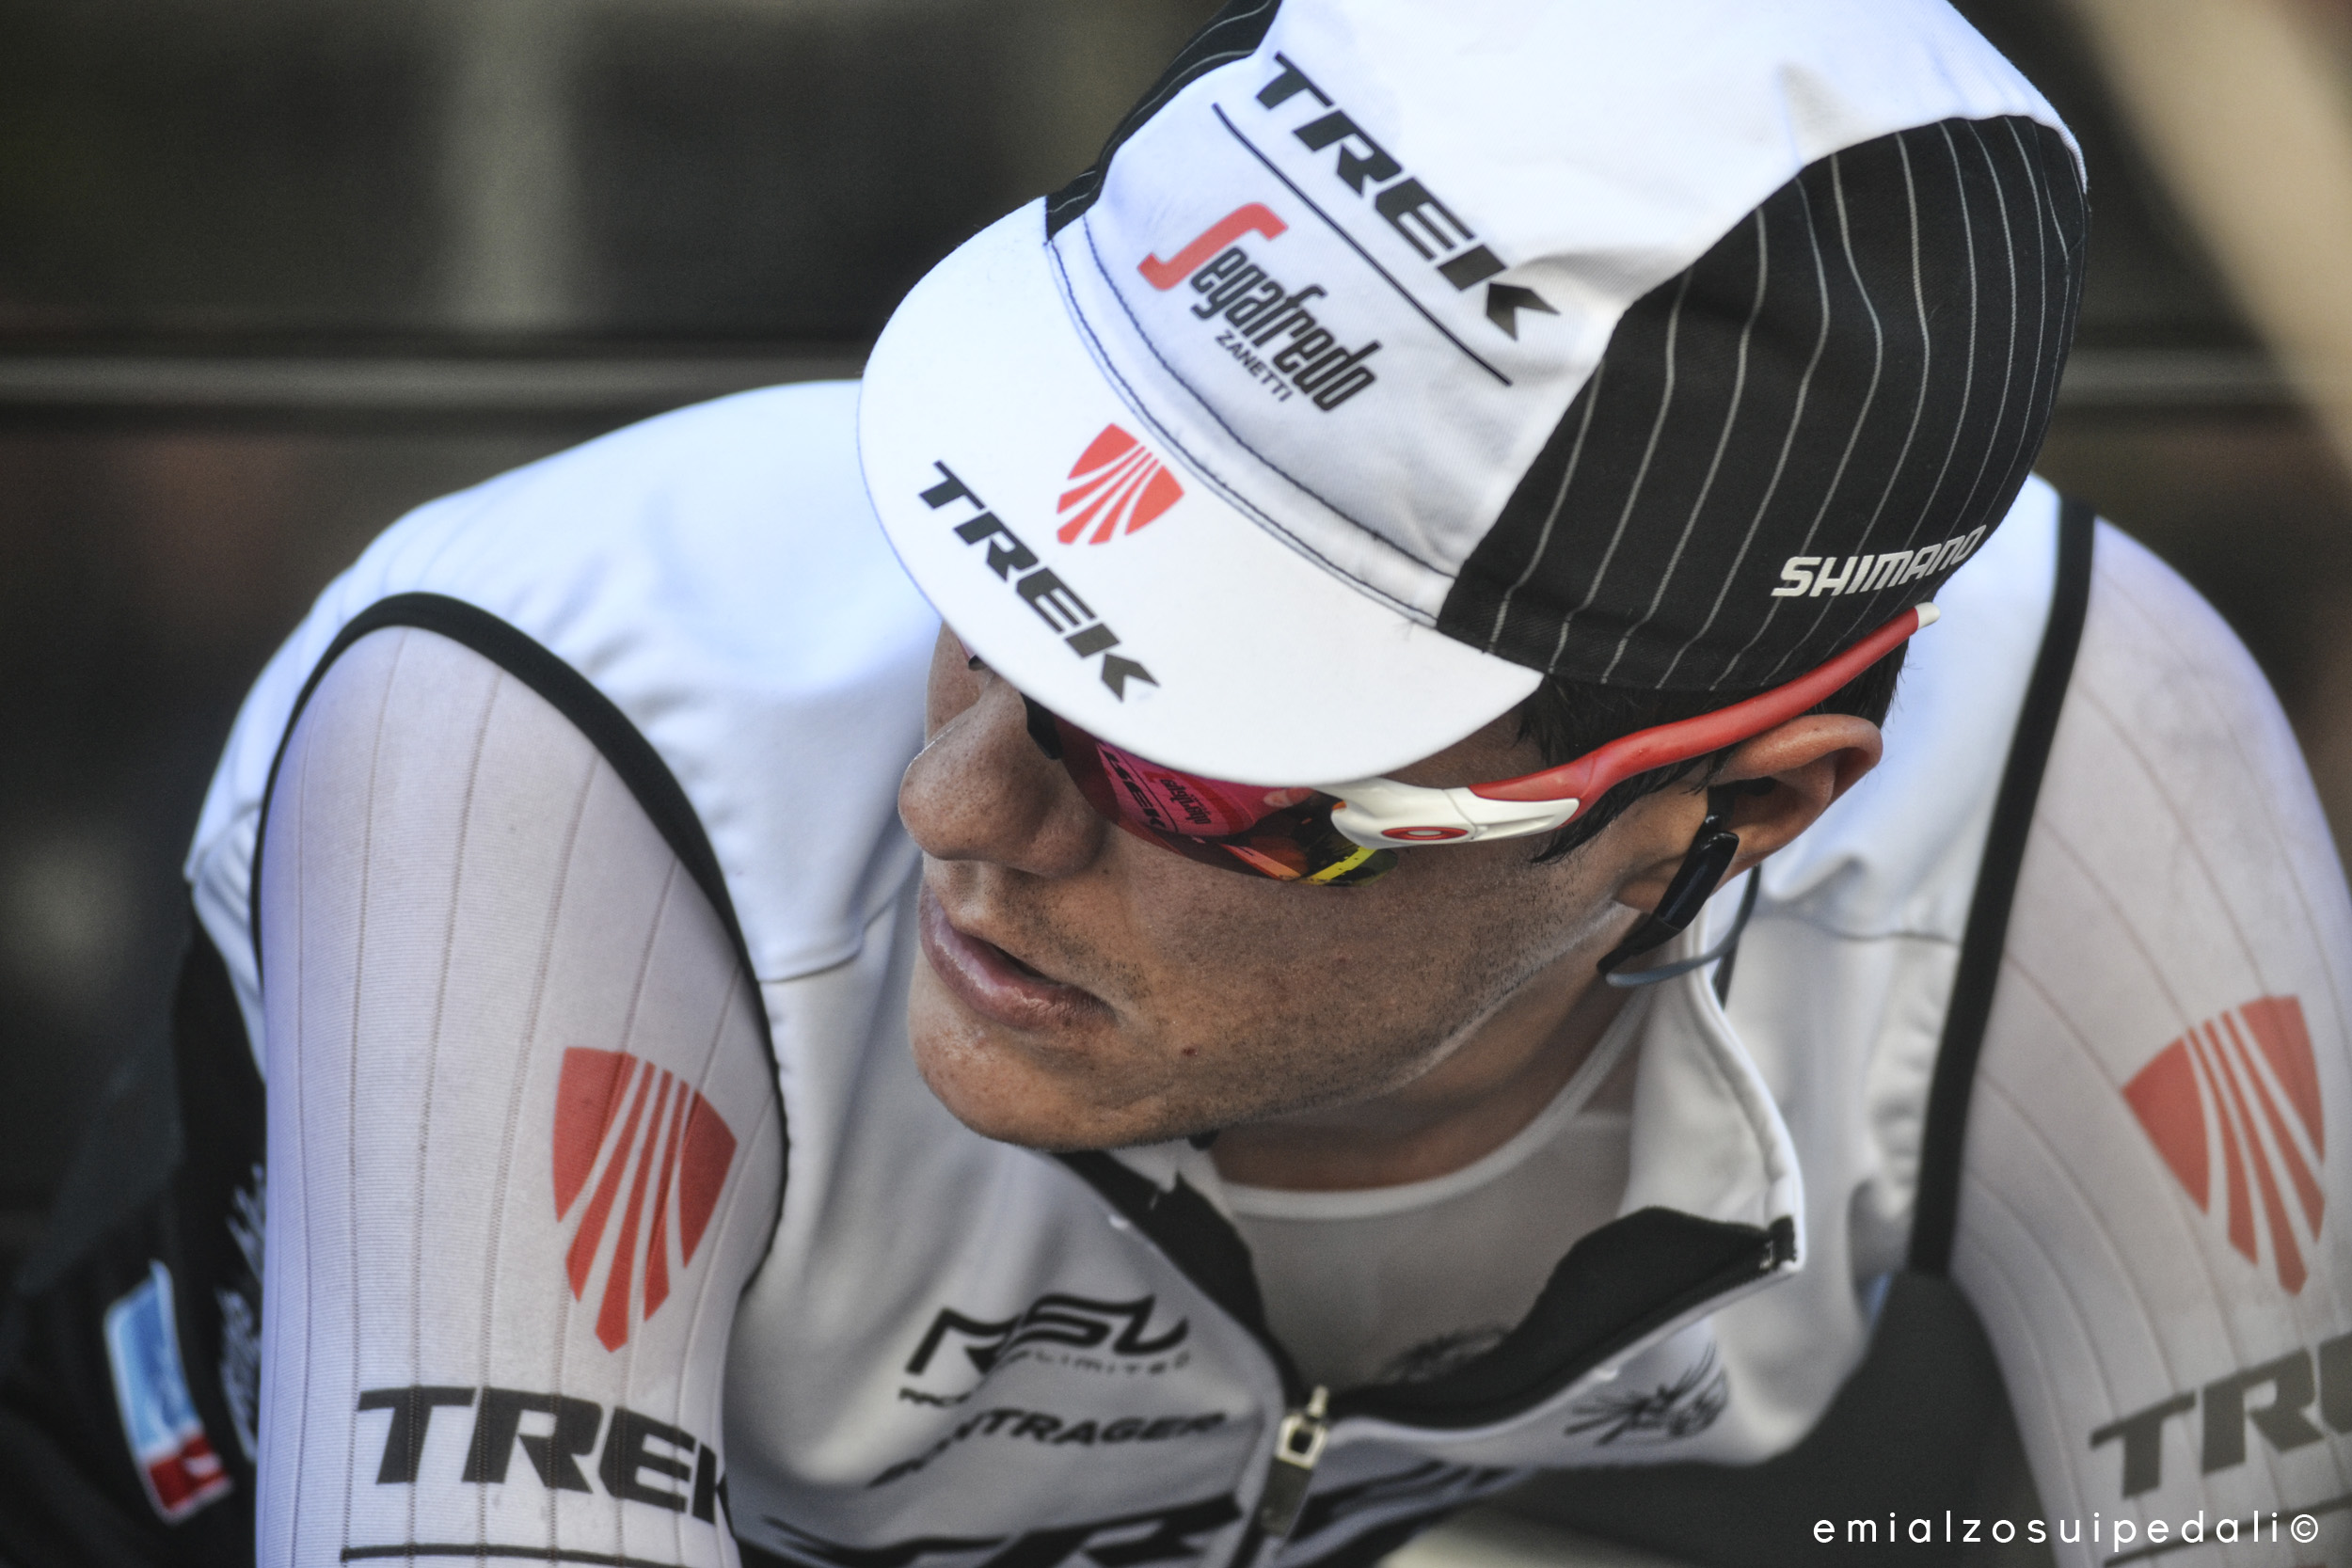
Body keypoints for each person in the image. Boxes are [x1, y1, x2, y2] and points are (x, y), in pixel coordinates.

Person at [4, 2, 2347, 1566]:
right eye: (987, 577)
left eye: (1201, 761)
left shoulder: (2088, 780)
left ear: (1737, 814)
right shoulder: (569, 741)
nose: (958, 808)